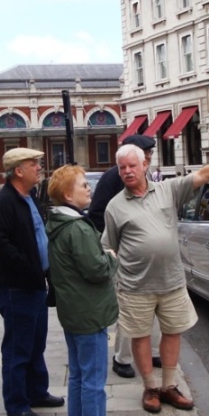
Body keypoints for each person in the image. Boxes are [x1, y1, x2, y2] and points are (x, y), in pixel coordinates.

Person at [102, 143, 209, 413]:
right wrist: (112, 269)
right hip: (135, 286)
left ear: (145, 165)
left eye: (132, 165)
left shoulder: (168, 190)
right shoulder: (114, 207)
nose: (127, 171)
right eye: (122, 167)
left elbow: (202, 175)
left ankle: (168, 386)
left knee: (172, 332)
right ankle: (150, 388)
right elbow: (109, 245)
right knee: (140, 337)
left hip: (172, 281)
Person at [46, 165, 124, 416]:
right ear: (68, 195)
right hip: (89, 311)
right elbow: (96, 269)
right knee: (93, 378)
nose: (89, 188)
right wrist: (111, 257)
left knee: (78, 375)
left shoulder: (58, 224)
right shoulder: (77, 228)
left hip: (72, 310)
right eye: (83, 185)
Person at [0, 147, 64, 416]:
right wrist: (28, 266)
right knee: (18, 347)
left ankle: (36, 391)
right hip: (17, 287)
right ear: (18, 171)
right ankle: (17, 405)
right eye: (33, 164)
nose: (39, 168)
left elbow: (40, 237)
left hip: (35, 284)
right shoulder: (3, 203)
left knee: (36, 342)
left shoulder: (30, 198)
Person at [87, 133, 161, 380]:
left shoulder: (145, 175)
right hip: (125, 255)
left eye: (149, 154)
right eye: (146, 153)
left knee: (154, 304)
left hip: (146, 256)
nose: (149, 157)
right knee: (130, 307)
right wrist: (112, 247)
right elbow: (96, 214)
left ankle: (152, 351)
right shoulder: (114, 177)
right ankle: (122, 358)